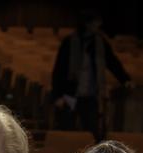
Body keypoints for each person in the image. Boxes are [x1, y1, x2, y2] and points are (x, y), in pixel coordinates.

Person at [50, 9, 131, 137]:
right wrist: (57, 96)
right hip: (70, 95)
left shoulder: (100, 43)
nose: (98, 26)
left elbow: (113, 63)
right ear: (87, 24)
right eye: (95, 23)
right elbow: (58, 70)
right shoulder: (69, 42)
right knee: (68, 132)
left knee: (92, 133)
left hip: (90, 95)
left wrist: (125, 79)